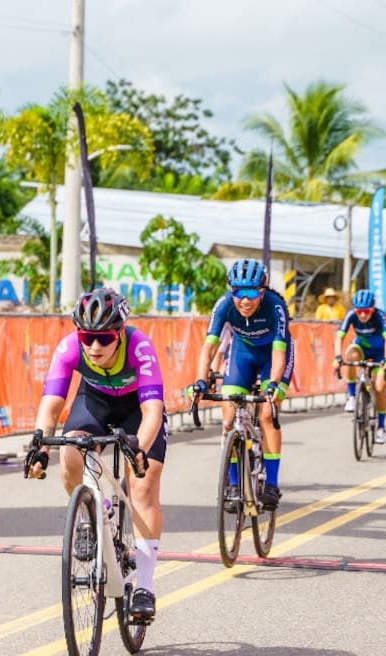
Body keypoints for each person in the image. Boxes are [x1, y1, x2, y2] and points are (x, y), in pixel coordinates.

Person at [23, 288, 166, 624]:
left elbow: (152, 411)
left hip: (137, 408)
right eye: (87, 337)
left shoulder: (140, 346)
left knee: (143, 486)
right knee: (71, 452)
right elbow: (51, 404)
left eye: (104, 338)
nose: (94, 347)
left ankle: (144, 587)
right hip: (95, 401)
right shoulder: (69, 348)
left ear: (119, 333)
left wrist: (139, 449)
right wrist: (39, 445)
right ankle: (90, 516)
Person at [193, 259, 294, 511]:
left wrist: (273, 384)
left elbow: (279, 353)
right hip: (242, 353)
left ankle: (271, 484)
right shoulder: (224, 305)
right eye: (239, 293)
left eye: (251, 293)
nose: (245, 300)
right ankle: (234, 484)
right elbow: (209, 347)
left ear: (262, 291)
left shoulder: (275, 306)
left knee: (267, 413)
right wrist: (201, 380)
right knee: (228, 420)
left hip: (273, 354)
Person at [334, 289, 386, 440]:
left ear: (373, 309)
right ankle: (351, 396)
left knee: (379, 388)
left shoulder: (380, 316)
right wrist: (337, 357)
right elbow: (339, 337)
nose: (362, 315)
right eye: (359, 311)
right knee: (350, 355)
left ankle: (381, 427)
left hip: (379, 353)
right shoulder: (351, 315)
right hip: (361, 349)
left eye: (366, 311)